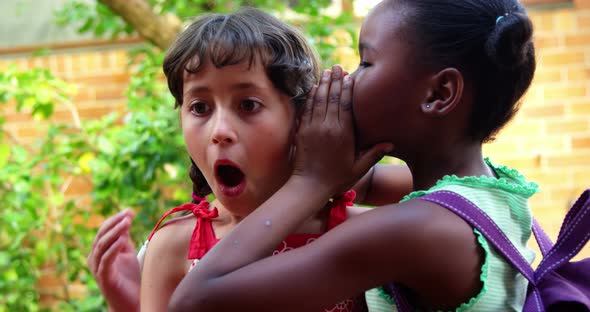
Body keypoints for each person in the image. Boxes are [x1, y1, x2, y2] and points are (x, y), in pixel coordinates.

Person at [168, 0, 539, 311]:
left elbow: (197, 299)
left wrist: (309, 182)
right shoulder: (486, 192)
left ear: (439, 94)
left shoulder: (412, 231)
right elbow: (363, 181)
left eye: (366, 63)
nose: (346, 80)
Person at [86, 8, 412, 312]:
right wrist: (128, 304)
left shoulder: (356, 233)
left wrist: (333, 167)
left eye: (248, 105)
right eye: (200, 107)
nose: (220, 131)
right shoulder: (172, 247)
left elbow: (444, 190)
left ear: (304, 118)